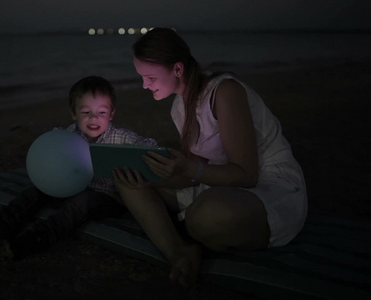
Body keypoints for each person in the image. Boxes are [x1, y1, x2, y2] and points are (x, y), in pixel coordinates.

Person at [112, 28, 307, 287]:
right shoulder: (179, 107)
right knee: (129, 179)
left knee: (206, 216)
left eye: (149, 77)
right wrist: (156, 177)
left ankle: (198, 230)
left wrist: (187, 168)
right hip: (217, 184)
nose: (145, 85)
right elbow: (197, 173)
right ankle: (178, 252)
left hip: (267, 185)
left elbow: (247, 175)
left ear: (178, 69)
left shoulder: (224, 91)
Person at [0, 75, 157, 260]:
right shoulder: (70, 135)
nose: (93, 118)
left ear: (111, 113)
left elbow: (150, 146)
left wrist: (133, 156)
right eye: (85, 112)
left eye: (101, 112)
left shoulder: (121, 138)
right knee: (38, 190)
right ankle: (3, 221)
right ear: (74, 113)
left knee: (80, 204)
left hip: (107, 196)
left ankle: (38, 237)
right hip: (71, 187)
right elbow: (54, 148)